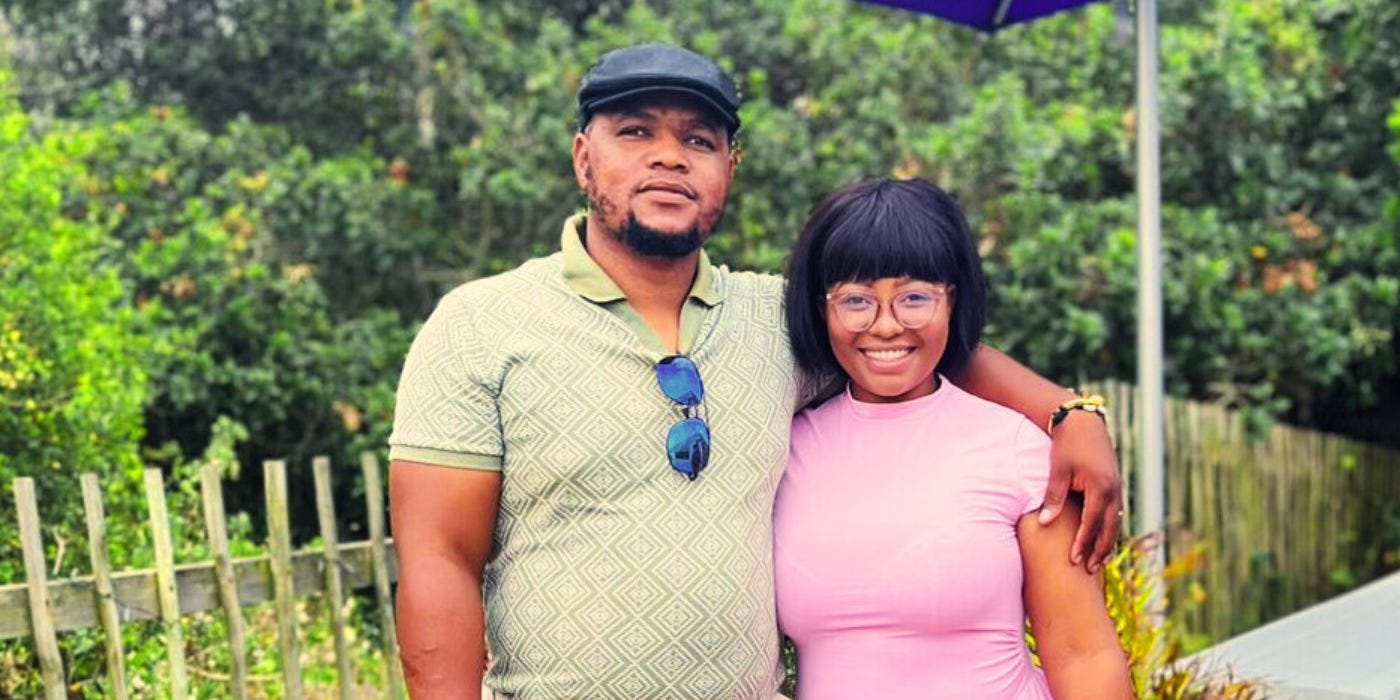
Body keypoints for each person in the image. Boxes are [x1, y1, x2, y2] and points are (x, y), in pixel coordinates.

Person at [388, 42, 1123, 700]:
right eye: (636, 131)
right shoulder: (481, 327)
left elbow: (913, 341)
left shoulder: (778, 320)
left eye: (698, 140)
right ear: (584, 157)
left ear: (729, 169)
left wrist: (1071, 413)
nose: (669, 157)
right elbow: (439, 560)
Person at [775, 178, 1133, 699]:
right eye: (856, 300)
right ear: (821, 307)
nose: (886, 326)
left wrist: (1078, 415)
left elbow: (1085, 657)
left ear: (952, 299)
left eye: (914, 298)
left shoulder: (1018, 450)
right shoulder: (784, 451)